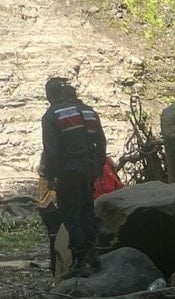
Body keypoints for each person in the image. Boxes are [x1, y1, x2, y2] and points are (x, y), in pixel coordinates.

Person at [41, 78, 106, 278]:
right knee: (87, 210)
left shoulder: (52, 116)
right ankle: (93, 255)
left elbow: (52, 152)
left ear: (48, 95)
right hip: (86, 169)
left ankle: (79, 260)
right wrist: (98, 166)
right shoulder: (82, 111)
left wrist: (50, 176)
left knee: (71, 215)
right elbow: (99, 141)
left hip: (67, 172)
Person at [36, 152, 63, 277]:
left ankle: (55, 269)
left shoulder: (42, 173)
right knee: (57, 240)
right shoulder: (51, 176)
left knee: (53, 241)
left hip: (45, 208)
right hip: (53, 207)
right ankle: (57, 269)